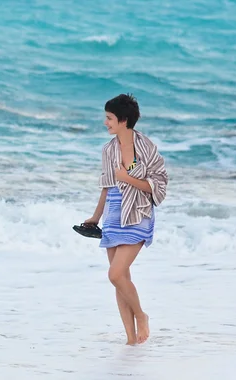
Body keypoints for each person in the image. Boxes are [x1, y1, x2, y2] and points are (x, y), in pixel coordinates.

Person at [85, 94, 168, 345]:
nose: (105, 122)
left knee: (115, 274)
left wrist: (127, 178)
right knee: (121, 280)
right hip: (113, 213)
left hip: (138, 214)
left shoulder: (146, 146)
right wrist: (95, 217)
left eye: (109, 118)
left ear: (123, 120)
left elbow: (159, 183)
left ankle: (142, 316)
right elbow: (107, 186)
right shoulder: (108, 150)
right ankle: (131, 340)